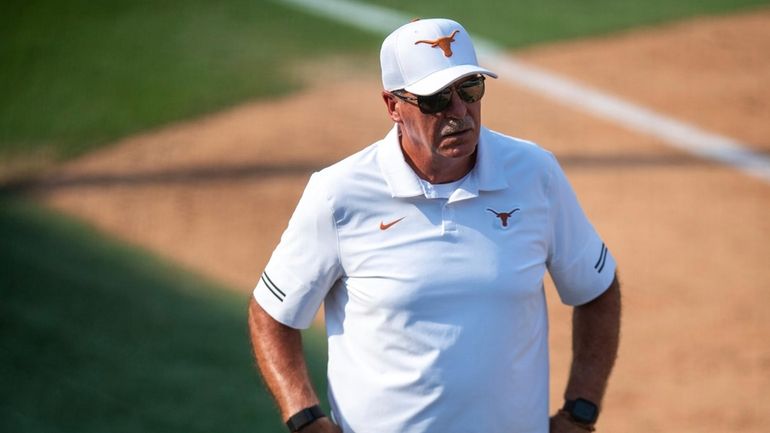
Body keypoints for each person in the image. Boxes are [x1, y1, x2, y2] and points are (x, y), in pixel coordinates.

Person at [248, 18, 621, 433]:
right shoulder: (339, 194)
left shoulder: (535, 175)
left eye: (470, 90)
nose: (459, 112)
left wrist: (581, 411)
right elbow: (271, 312)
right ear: (393, 106)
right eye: (436, 99)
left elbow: (597, 288)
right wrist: (305, 418)